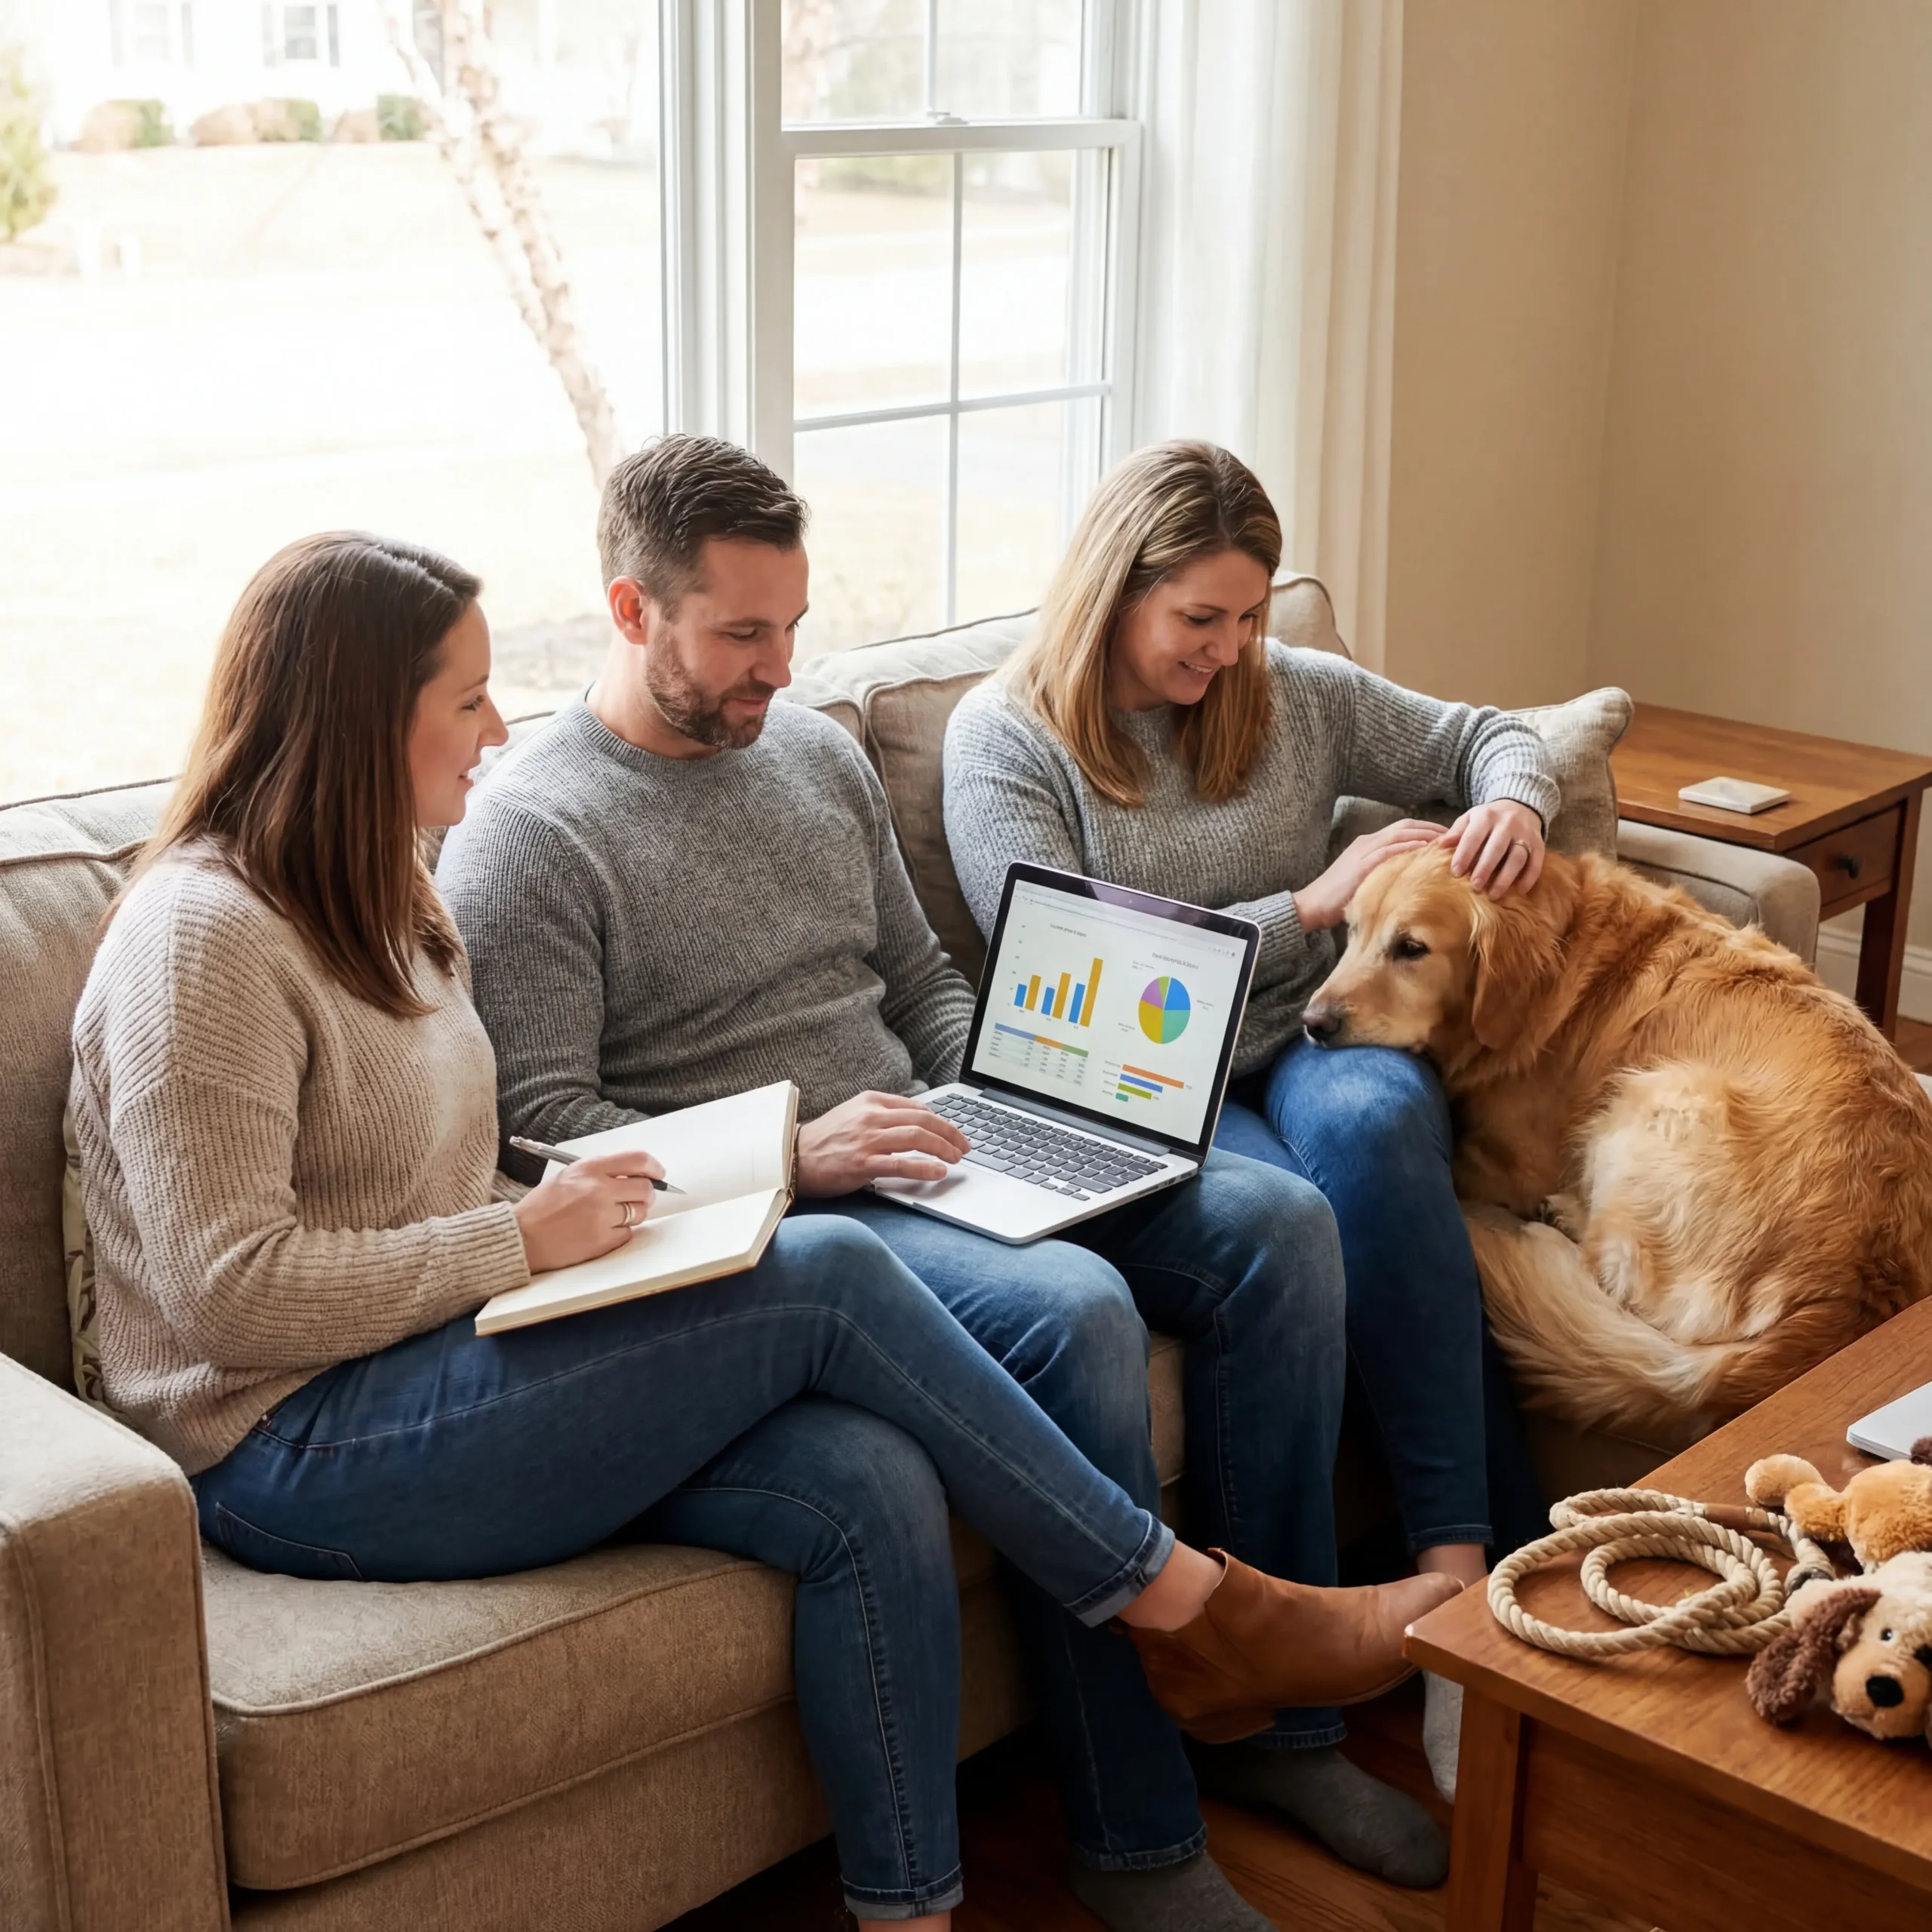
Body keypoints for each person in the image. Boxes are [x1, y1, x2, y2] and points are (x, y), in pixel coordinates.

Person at [68, 531, 1453, 1932]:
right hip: (284, 1438)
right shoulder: (204, 939)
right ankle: (1189, 1607)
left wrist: (569, 1231)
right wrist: (533, 1239)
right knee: (833, 1273)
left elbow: (450, 1181)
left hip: (452, 1346)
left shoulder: (387, 891)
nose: (497, 727)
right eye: (466, 699)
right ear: (360, 717)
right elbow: (227, 1295)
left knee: (864, 1476)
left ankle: (911, 1912)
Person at [435, 436, 1458, 1927]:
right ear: (629, 607)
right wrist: (799, 1148)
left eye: (790, 626)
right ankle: (1135, 1836)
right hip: (782, 1213)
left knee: (1275, 1224)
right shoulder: (528, 833)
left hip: (940, 1142)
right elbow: (544, 1137)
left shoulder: (810, 752)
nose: (776, 668)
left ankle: (1279, 1725)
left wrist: (1013, 1090)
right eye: (738, 634)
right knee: (1079, 1313)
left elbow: (914, 977)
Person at [942, 439, 1561, 1804]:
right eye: (1198, 620)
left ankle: (1466, 1583)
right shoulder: (1005, 744)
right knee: (1292, 1229)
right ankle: (1310, 1703)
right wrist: (1313, 905)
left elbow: (1484, 735)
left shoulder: (1291, 696)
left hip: (1310, 1033)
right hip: (1146, 1084)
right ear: (1113, 592)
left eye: (1249, 617)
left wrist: (1514, 798)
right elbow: (1080, 978)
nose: (1228, 651)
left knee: (1386, 1128)